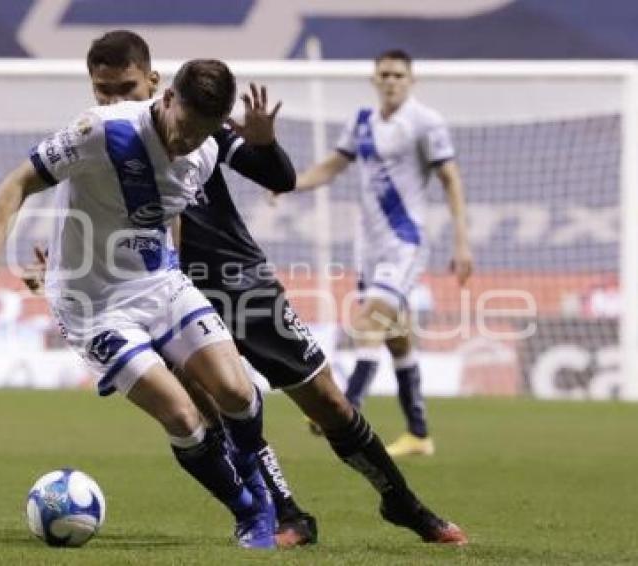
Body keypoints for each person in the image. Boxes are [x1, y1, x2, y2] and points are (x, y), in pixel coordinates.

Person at [24, 32, 467, 545]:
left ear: (156, 83)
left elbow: (274, 175)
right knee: (213, 408)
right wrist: (57, 273)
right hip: (154, 294)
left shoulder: (197, 123)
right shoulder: (98, 138)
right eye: (104, 92)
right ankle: (285, 514)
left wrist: (264, 142)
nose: (115, 102)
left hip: (236, 279)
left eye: (127, 88)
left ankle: (403, 502)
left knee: (326, 402)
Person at [0, 58, 278, 549]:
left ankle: (254, 477)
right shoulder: (99, 131)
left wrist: (168, 267)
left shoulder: (205, 153)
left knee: (236, 393)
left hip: (159, 284)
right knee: (182, 415)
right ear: (167, 98)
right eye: (185, 127)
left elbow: (164, 216)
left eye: (201, 133)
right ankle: (248, 512)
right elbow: (18, 181)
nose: (186, 141)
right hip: (92, 306)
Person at [292, 49, 474, 457]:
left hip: (404, 243)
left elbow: (450, 179)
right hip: (369, 247)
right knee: (396, 338)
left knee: (367, 322)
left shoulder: (426, 123)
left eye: (398, 75)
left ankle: (345, 408)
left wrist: (462, 240)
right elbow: (332, 166)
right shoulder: (362, 123)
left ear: (411, 81)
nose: (391, 81)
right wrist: (291, 183)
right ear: (375, 80)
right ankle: (418, 434)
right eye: (384, 75)